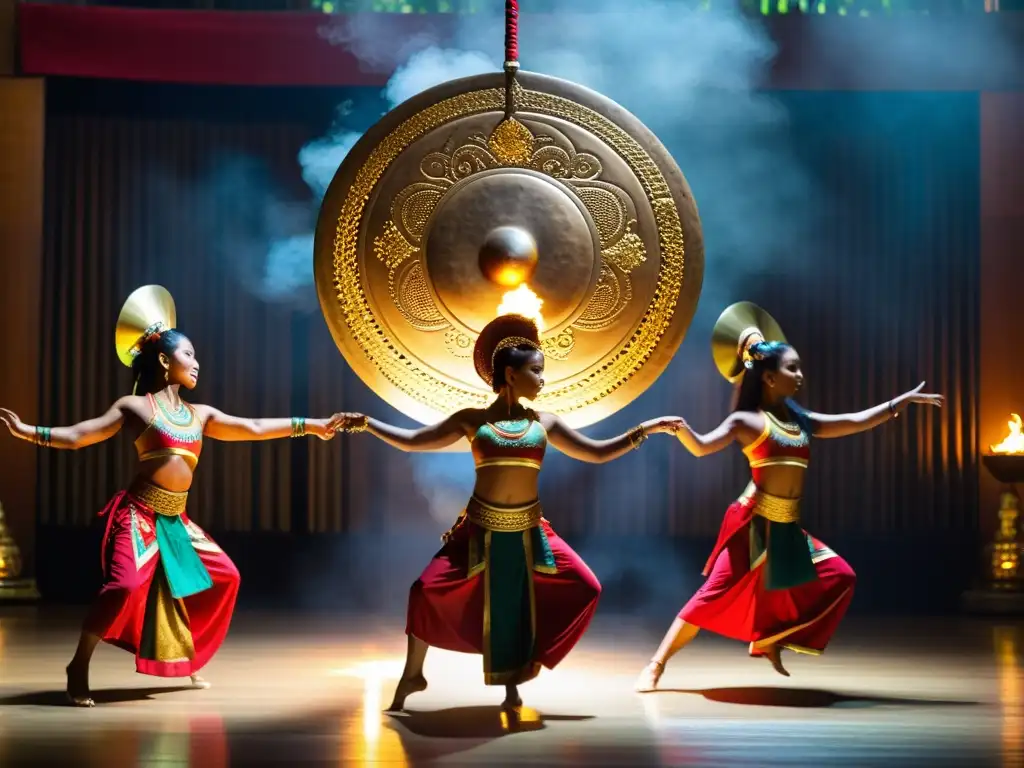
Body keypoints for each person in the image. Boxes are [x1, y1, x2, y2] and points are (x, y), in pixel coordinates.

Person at [0, 285, 342, 707]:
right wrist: (30, 432)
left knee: (226, 577)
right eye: (189, 355)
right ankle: (79, 665)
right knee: (122, 587)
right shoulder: (135, 407)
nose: (197, 363)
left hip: (176, 521)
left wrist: (312, 425)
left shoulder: (201, 415)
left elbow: (253, 427)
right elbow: (78, 436)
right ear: (165, 360)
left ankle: (181, 657)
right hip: (139, 514)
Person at [329, 313, 682, 711]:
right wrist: (368, 424)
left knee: (584, 587)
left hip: (530, 529)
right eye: (536, 371)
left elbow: (597, 452)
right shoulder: (472, 420)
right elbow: (414, 441)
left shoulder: (545, 422)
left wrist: (645, 430)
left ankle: (520, 675)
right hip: (479, 529)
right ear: (510, 375)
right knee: (424, 591)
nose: (543, 379)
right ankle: (414, 673)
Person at [634, 301, 944, 691]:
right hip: (753, 522)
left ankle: (769, 639)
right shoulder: (746, 421)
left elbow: (851, 422)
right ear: (767, 377)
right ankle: (656, 665)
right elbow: (701, 447)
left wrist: (898, 403)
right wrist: (678, 429)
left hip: (786, 524)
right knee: (710, 597)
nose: (799, 374)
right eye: (791, 368)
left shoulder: (800, 421)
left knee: (840, 576)